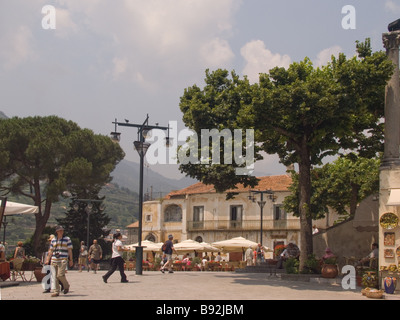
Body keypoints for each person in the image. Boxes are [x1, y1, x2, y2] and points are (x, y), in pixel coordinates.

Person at [45, 225, 73, 297]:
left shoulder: (67, 239)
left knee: (60, 275)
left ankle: (66, 286)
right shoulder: (54, 240)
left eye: (62, 230)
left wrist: (71, 260)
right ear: (57, 232)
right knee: (54, 276)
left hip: (63, 259)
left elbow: (69, 250)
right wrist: (48, 259)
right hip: (54, 259)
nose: (61, 232)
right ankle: (56, 291)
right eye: (60, 231)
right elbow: (50, 250)